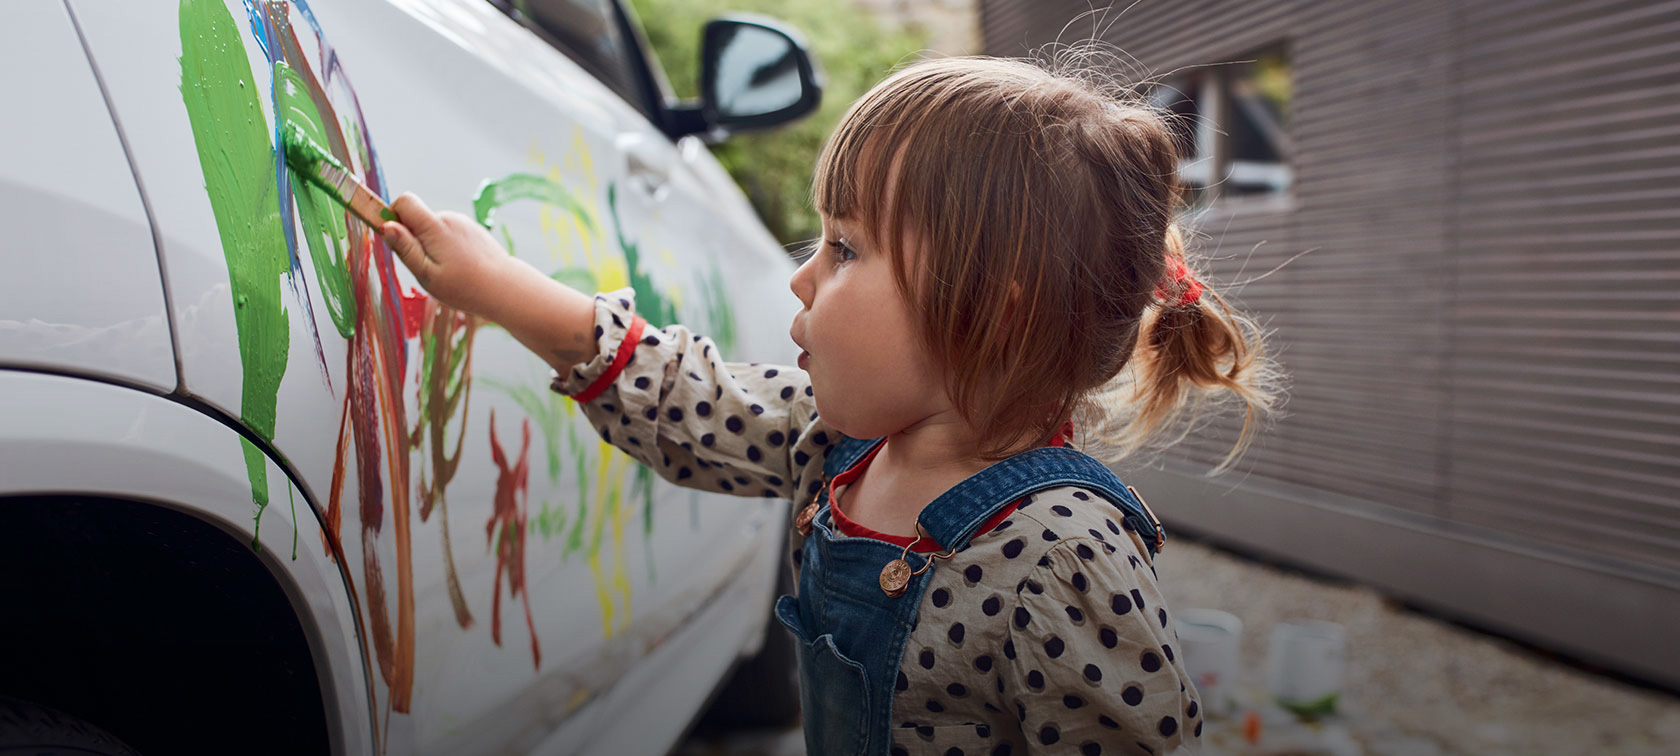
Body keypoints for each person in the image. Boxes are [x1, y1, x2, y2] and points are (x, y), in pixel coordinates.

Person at [380, 53, 1281, 756]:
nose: (801, 275)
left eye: (845, 248)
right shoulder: (841, 447)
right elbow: (687, 401)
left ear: (989, 308)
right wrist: (500, 288)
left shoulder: (1064, 553)